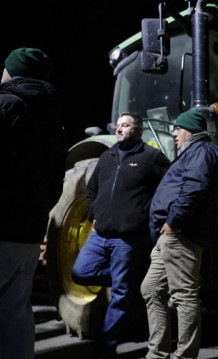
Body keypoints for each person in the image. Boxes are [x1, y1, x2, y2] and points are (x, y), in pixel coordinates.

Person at [70, 112, 170, 357]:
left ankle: (106, 347)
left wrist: (149, 218)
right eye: (118, 125)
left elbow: (168, 189)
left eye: (125, 125)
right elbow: (91, 190)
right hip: (100, 234)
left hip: (128, 238)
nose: (119, 129)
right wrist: (93, 214)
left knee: (120, 296)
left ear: (137, 130)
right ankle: (129, 280)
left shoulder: (152, 157)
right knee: (80, 273)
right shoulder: (107, 156)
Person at [141, 108, 218, 359]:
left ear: (188, 129)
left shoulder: (200, 151)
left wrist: (173, 222)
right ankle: (157, 353)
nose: (174, 134)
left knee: (184, 295)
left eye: (177, 129)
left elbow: (194, 188)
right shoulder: (194, 152)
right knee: (150, 289)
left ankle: (185, 356)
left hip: (181, 233)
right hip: (169, 235)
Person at [0, 47, 67, 359]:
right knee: (15, 310)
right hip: (28, 231)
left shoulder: (5, 104)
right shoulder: (54, 117)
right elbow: (56, 182)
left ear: (13, 71)